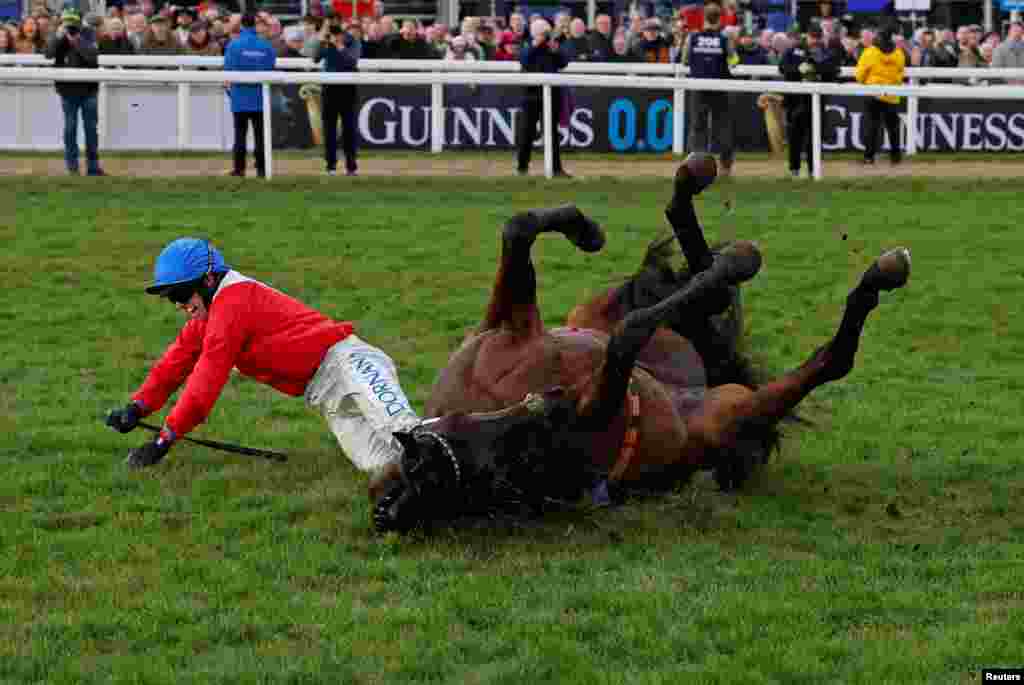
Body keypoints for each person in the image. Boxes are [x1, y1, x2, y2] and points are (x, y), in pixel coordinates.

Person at [105, 238, 421, 472]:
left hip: (348, 362)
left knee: (407, 434)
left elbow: (206, 381)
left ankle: (463, 438)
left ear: (209, 280)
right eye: (169, 298)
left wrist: (164, 440)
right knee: (387, 468)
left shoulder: (232, 304)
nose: (177, 304)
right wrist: (137, 407)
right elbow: (173, 365)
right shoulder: (206, 316)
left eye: (179, 294)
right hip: (325, 395)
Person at [45, 9, 105, 177]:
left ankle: (93, 167)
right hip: (67, 91)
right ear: (61, 21)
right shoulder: (57, 34)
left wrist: (77, 41)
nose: (69, 26)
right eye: (66, 22)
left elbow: (92, 57)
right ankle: (72, 168)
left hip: (88, 90)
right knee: (70, 129)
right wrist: (58, 37)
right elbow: (48, 54)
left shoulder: (89, 33)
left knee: (91, 129)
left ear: (79, 22)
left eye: (72, 22)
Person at [778, 26, 840, 178]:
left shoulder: (825, 52)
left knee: (809, 137)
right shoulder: (796, 50)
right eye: (814, 38)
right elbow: (783, 68)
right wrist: (804, 69)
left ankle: (808, 170)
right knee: (799, 137)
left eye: (817, 38)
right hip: (799, 100)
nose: (815, 41)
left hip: (811, 101)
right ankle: (799, 170)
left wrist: (811, 67)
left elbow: (833, 71)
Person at [683, 2, 736, 176]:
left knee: (698, 127)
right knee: (723, 127)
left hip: (698, 87)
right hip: (720, 87)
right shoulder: (724, 39)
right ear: (719, 19)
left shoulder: (692, 38)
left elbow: (684, 61)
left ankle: (696, 167)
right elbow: (734, 61)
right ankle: (726, 167)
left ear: (703, 18)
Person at [516, 18, 571, 178]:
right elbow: (523, 60)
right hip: (531, 94)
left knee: (552, 133)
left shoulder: (551, 45)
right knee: (527, 132)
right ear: (535, 33)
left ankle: (556, 169)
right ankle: (522, 167)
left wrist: (556, 50)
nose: (546, 36)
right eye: (543, 33)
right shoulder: (526, 43)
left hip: (552, 93)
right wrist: (535, 44)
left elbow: (564, 63)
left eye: (547, 33)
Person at [224, 13, 276, 177]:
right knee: (261, 135)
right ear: (255, 25)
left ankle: (239, 169)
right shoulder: (266, 46)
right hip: (261, 97)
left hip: (240, 96)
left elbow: (229, 70)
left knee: (240, 134)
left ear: (241, 25)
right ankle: (262, 169)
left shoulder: (234, 45)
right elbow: (271, 67)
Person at [313, 20, 359, 176]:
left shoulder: (352, 41)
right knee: (329, 130)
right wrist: (322, 39)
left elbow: (352, 63)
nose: (333, 33)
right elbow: (315, 58)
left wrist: (339, 45)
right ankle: (331, 165)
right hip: (329, 90)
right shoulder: (326, 41)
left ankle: (351, 166)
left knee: (349, 130)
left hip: (347, 91)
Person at [855, 25, 906, 166]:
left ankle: (868, 157)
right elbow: (900, 75)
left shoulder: (869, 52)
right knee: (893, 128)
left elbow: (859, 76)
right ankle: (896, 157)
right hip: (892, 95)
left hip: (873, 94)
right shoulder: (899, 54)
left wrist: (868, 82)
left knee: (872, 127)